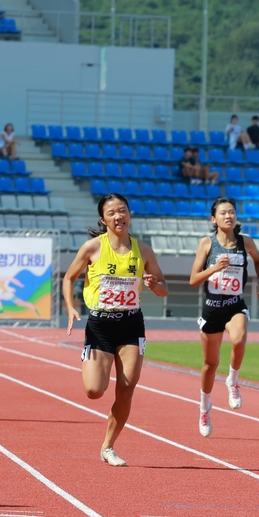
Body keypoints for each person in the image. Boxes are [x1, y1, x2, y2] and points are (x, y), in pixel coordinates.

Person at [63, 193, 168, 467]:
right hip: (99, 324)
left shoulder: (143, 250)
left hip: (131, 324)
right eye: (111, 213)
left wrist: (155, 283)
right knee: (94, 391)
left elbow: (163, 288)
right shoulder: (92, 248)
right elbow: (68, 277)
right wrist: (71, 307)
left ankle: (108, 446)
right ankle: (89, 358)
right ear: (103, 219)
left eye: (122, 211)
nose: (118, 216)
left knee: (126, 387)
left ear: (129, 214)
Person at [188, 197, 259, 436]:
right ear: (214, 219)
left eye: (231, 212)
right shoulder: (206, 244)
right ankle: (204, 407)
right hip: (212, 308)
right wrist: (213, 268)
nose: (228, 216)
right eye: (223, 213)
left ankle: (232, 380)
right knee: (210, 365)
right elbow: (193, 280)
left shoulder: (246, 242)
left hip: (235, 305)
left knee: (238, 339)